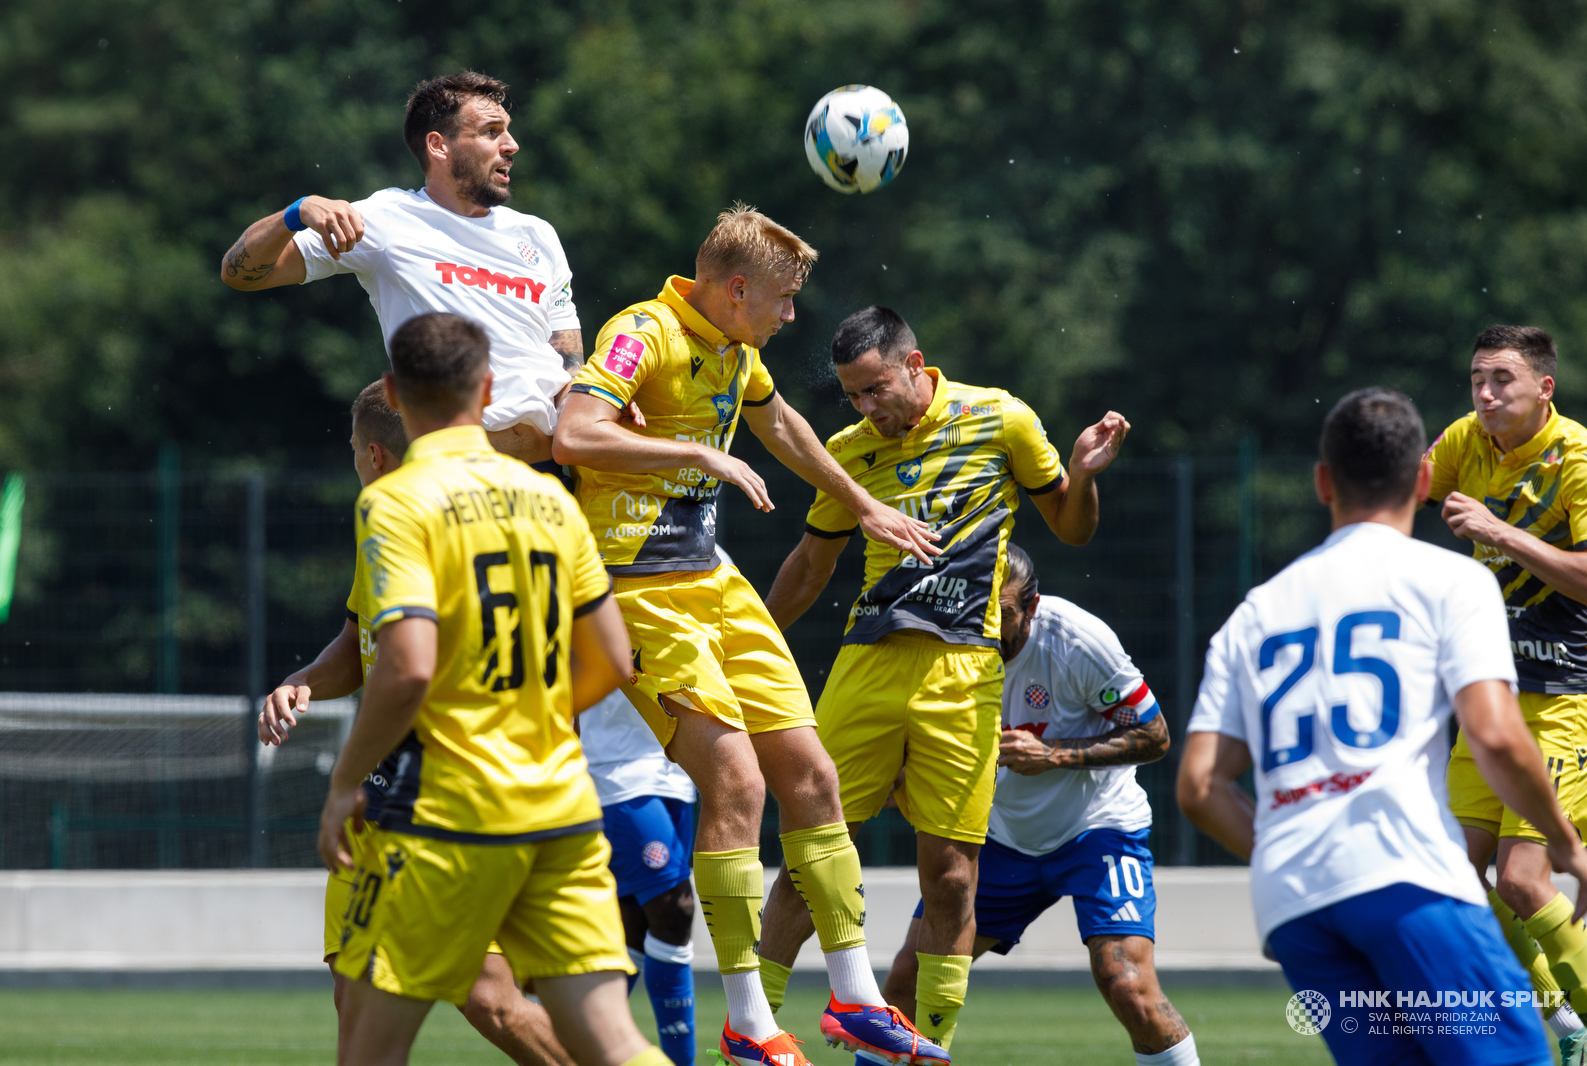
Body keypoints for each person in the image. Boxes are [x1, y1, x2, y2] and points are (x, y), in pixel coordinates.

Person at [552, 207, 947, 1066]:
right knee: (735, 779)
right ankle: (748, 1021)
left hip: (711, 577)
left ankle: (855, 1001)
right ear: (736, 290)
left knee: (810, 773)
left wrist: (867, 505)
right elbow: (573, 431)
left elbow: (784, 429)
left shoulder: (738, 351)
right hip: (631, 587)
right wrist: (698, 457)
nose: (792, 314)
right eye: (782, 297)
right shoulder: (645, 332)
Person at [1177, 386, 1587, 1066]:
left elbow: (1198, 787)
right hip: (1403, 879)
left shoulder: (1253, 612)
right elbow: (1493, 736)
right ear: (1426, 478)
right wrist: (1565, 843)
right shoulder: (1450, 582)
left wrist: (1298, 849)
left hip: (1293, 907)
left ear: (1322, 483)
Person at [755, 306, 1129, 1047]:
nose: (867, 408)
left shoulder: (1002, 419)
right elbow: (811, 564)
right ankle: (753, 1030)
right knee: (809, 859)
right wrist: (750, 638)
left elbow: (1073, 527)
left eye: (876, 389)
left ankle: (931, 1046)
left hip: (965, 673)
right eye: (853, 396)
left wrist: (1082, 477)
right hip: (868, 664)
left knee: (953, 878)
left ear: (916, 365)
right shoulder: (849, 453)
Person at [315, 312, 668, 1066]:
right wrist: (527, 717)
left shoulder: (398, 500)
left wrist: (347, 781)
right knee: (613, 1042)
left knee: (369, 1047)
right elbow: (614, 657)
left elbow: (407, 665)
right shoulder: (547, 499)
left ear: (391, 392)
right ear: (488, 388)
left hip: (448, 811)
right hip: (561, 803)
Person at [258, 379, 577, 1065]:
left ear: (374, 453)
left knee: (489, 995)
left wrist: (346, 780)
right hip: (384, 803)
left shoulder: (436, 522)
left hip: (446, 796)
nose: (351, 462)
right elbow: (358, 642)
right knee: (357, 1001)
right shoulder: (383, 524)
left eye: (350, 450)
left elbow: (409, 671)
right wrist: (303, 682)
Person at [880, 543, 1199, 1064]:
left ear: (1032, 607)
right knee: (906, 982)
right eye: (980, 607)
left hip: (1098, 829)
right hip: (1001, 837)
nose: (988, 624)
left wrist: (1053, 755)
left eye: (1001, 613)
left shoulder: (1077, 641)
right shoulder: (940, 642)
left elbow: (1156, 736)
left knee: (1127, 987)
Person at [219, 71, 583, 470]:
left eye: (507, 131)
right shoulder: (386, 219)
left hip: (549, 479)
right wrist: (294, 213)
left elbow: (567, 366)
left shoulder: (537, 234)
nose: (511, 145)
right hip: (456, 479)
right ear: (438, 145)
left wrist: (601, 403)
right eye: (491, 131)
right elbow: (241, 272)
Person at [1425, 324, 1587, 1055]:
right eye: (1477, 381)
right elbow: (1396, 489)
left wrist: (1500, 533)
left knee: (1525, 880)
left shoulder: (1581, 459)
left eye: (1502, 380)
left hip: (1568, 697)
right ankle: (1559, 1020)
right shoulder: (1468, 439)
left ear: (1544, 389)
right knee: (1457, 881)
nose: (1487, 395)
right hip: (1491, 697)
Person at [578, 687, 699, 1066]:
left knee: (631, 924)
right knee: (673, 909)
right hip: (617, 772)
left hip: (679, 769)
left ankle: (561, 1039)